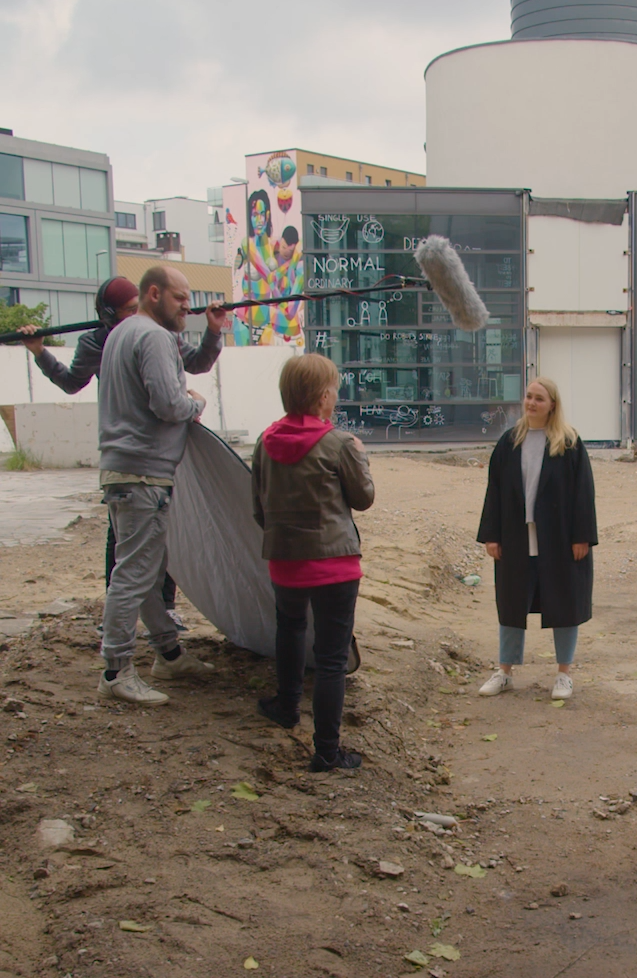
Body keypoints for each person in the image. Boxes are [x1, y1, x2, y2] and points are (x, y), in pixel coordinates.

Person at [22, 274, 226, 613]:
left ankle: (163, 615)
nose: (136, 315)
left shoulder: (163, 335)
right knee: (126, 550)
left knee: (158, 540)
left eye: (137, 308)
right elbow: (73, 382)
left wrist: (214, 331)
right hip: (133, 454)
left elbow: (199, 363)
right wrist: (40, 352)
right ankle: (119, 631)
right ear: (108, 314)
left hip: (156, 453)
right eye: (128, 310)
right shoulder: (100, 342)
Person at [96, 263, 230, 706]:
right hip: (141, 474)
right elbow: (168, 403)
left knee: (147, 571)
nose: (186, 308)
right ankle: (116, 671)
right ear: (153, 293)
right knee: (133, 575)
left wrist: (211, 335)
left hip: (127, 471)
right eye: (180, 299)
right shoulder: (152, 336)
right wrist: (195, 403)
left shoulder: (122, 332)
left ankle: (168, 654)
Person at [250, 353, 374, 774]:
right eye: (335, 391)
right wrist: (361, 455)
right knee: (332, 658)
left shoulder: (264, 441)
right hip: (335, 565)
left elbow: (258, 508)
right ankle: (326, 751)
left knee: (289, 630)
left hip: (284, 562)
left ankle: (286, 706)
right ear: (323, 397)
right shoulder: (339, 444)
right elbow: (363, 498)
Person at [476, 375, 597, 701]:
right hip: (517, 537)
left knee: (564, 603)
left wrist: (582, 536)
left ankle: (563, 674)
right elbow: (495, 491)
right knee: (512, 603)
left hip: (558, 539)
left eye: (539, 398)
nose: (531, 403)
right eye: (529, 397)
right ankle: (504, 672)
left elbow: (583, 494)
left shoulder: (569, 443)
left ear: (552, 405)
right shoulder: (510, 441)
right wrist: (491, 534)